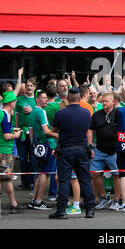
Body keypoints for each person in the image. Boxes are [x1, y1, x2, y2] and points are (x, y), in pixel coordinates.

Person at [49, 87, 96, 219]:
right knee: (85, 180)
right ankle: (90, 209)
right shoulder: (87, 113)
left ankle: (61, 210)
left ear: (68, 98)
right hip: (82, 148)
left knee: (64, 180)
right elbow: (88, 128)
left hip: (66, 149)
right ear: (80, 98)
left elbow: (54, 129)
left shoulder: (60, 114)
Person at [0, 91, 23, 214]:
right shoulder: (5, 115)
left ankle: (14, 204)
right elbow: (7, 136)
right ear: (10, 102)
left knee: (6, 178)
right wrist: (17, 134)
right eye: (14, 101)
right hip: (4, 152)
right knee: (0, 179)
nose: (15, 103)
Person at [88, 93, 121, 210]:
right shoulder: (96, 115)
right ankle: (103, 197)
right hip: (99, 149)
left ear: (113, 102)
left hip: (115, 150)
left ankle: (117, 200)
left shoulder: (118, 113)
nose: (104, 103)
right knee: (94, 173)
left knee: (117, 175)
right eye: (102, 101)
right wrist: (90, 146)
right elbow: (90, 130)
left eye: (106, 101)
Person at [27, 90, 58, 210]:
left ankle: (34, 200)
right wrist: (57, 135)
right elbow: (46, 131)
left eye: (46, 98)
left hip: (38, 146)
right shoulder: (41, 112)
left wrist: (33, 147)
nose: (46, 100)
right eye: (43, 98)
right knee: (46, 173)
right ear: (37, 99)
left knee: (40, 172)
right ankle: (39, 201)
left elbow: (31, 132)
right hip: (48, 145)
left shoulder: (32, 113)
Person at [15, 78, 37, 191]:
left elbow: (40, 114)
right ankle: (24, 182)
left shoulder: (37, 100)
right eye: (27, 85)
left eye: (31, 86)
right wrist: (17, 129)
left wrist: (32, 111)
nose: (28, 87)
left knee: (33, 158)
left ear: (34, 87)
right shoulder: (20, 99)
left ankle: (33, 181)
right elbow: (17, 116)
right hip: (22, 132)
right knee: (23, 158)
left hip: (33, 132)